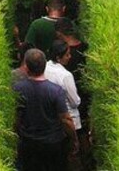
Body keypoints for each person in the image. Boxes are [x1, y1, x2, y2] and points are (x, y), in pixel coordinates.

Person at [13, 49, 78, 171]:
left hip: (29, 143)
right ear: (44, 66)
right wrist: (74, 139)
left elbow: (16, 117)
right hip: (53, 144)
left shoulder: (18, 89)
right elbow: (66, 120)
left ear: (26, 67)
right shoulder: (56, 91)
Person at [45, 40, 82, 169]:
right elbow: (74, 101)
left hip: (51, 118)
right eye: (67, 55)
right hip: (68, 119)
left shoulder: (45, 67)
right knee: (70, 155)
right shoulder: (65, 75)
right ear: (58, 57)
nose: (70, 57)